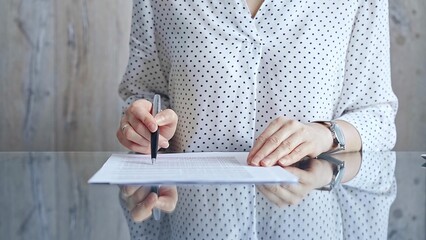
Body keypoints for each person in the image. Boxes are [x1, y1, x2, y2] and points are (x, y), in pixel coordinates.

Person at [116, 0, 398, 239]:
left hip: (313, 217)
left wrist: (325, 134)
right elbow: (143, 93)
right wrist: (144, 124)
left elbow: (377, 115)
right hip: (192, 218)